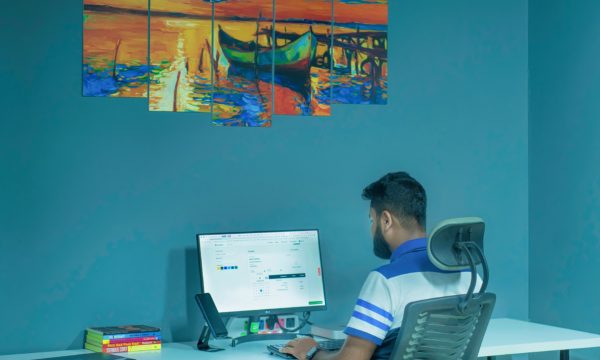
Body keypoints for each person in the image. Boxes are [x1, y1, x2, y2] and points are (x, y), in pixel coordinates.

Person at [281, 172, 476, 360]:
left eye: (372, 220)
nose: (372, 228)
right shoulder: (470, 275)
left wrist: (310, 352)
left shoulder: (385, 280)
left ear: (386, 220)